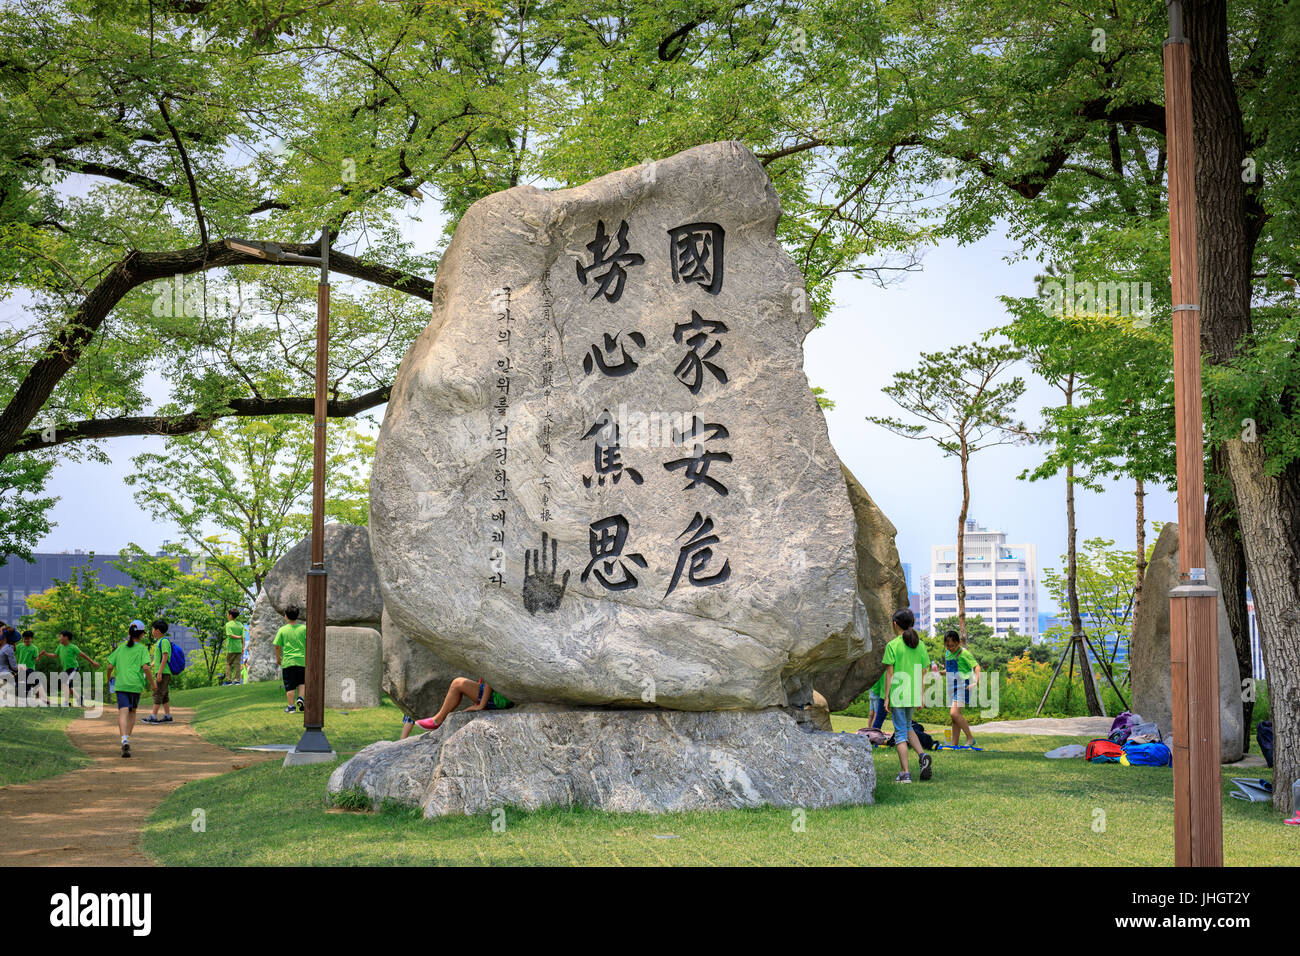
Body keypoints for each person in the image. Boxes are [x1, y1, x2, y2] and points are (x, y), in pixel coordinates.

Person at [881, 608, 932, 783]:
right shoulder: (921, 645)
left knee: (900, 733)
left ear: (895, 624)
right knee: (908, 726)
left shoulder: (892, 645)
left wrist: (887, 697)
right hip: (913, 694)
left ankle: (905, 773)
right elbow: (924, 672)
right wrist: (921, 695)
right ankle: (922, 755)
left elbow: (890, 675)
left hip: (898, 694)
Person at [105, 621, 155, 758]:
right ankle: (127, 737)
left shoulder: (121, 648)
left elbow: (109, 667)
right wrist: (152, 683)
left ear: (129, 633)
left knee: (123, 712)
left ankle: (123, 740)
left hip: (121, 684)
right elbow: (145, 667)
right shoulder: (142, 649)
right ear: (141, 634)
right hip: (135, 685)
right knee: (132, 712)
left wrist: (109, 679)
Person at [414, 677, 514, 731]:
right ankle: (437, 720)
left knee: (458, 683)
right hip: (505, 698)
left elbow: (490, 678)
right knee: (460, 683)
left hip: (499, 700)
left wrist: (481, 706)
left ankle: (437, 720)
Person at [37, 631, 98, 707]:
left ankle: (66, 702)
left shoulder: (73, 647)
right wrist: (46, 654)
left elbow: (83, 655)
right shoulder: (60, 646)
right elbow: (55, 655)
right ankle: (79, 699)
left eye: (61, 636)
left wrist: (92, 662)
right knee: (68, 686)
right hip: (65, 669)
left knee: (65, 684)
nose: (60, 638)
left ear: (66, 637)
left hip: (73, 668)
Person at [943, 630, 981, 748]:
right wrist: (940, 673)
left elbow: (977, 666)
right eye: (948, 646)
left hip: (963, 686)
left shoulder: (964, 653)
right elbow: (950, 670)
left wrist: (976, 681)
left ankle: (970, 738)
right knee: (955, 717)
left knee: (954, 713)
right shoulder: (948, 654)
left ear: (959, 643)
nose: (950, 648)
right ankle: (954, 744)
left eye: (953, 646)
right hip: (951, 686)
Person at [273, 605, 307, 714]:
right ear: (297, 616)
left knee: (290, 685)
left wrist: (278, 659)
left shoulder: (282, 630)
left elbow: (277, 646)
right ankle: (301, 698)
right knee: (302, 682)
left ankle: (291, 707)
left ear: (286, 616)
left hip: (288, 662)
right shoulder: (304, 628)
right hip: (302, 661)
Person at [143, 621, 175, 724]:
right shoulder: (159, 641)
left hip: (163, 672)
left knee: (158, 693)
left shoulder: (164, 641)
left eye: (152, 629)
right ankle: (167, 716)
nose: (152, 631)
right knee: (164, 694)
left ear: (157, 630)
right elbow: (158, 658)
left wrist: (160, 673)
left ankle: (153, 716)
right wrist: (150, 666)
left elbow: (165, 657)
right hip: (161, 671)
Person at [16, 629, 45, 703]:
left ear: (31, 639)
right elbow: (12, 652)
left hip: (30, 668)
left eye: (28, 638)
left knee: (32, 682)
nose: (26, 640)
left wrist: (40, 655)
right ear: (23, 639)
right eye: (25, 638)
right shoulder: (19, 646)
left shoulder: (34, 648)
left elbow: (36, 659)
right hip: (21, 668)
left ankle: (38, 696)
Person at [222, 609, 245, 686]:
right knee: (237, 664)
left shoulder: (228, 624)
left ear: (230, 615)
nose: (227, 616)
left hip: (231, 647)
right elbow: (243, 637)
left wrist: (238, 637)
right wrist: (243, 647)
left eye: (228, 614)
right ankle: (237, 681)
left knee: (228, 663)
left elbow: (230, 635)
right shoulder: (240, 624)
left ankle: (229, 681)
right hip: (239, 647)